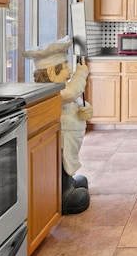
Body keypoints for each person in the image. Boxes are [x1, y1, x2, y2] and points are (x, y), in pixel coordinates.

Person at [23, 36, 93, 215]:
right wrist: (81, 72)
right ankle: (63, 195)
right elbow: (70, 93)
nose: (69, 70)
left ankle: (68, 182)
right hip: (60, 143)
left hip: (70, 140)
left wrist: (85, 109)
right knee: (59, 162)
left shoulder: (60, 88)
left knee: (66, 163)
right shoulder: (51, 92)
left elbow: (75, 100)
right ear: (52, 73)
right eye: (65, 67)